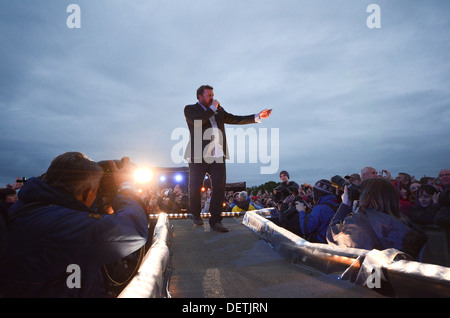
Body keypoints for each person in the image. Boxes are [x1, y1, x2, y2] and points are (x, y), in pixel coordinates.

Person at [0, 152, 149, 297]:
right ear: (88, 192)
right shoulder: (59, 224)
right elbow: (134, 229)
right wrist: (126, 187)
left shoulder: (30, 209)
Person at [184, 85, 272, 232]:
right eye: (208, 95)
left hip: (218, 154)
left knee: (219, 187)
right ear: (199, 97)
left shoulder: (218, 110)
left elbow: (234, 118)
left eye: (212, 94)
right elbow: (197, 122)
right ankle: (196, 214)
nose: (212, 97)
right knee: (195, 186)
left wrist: (256, 116)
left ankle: (216, 221)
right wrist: (212, 109)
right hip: (198, 154)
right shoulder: (190, 109)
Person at [327, 178, 427, 260]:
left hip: (372, 281)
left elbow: (334, 237)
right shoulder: (404, 222)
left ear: (367, 197)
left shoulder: (361, 223)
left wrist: (345, 204)